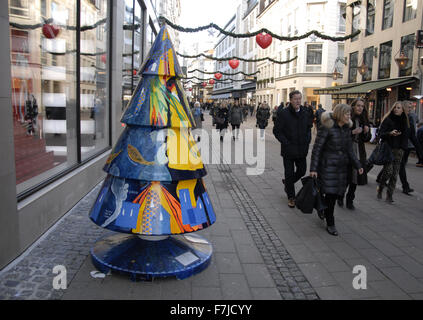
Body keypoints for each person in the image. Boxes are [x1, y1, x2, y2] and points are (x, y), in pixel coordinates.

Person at [310, 104, 363, 236]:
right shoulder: (327, 127)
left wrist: (358, 165)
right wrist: (313, 169)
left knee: (335, 194)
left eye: (349, 114)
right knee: (331, 195)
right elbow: (317, 149)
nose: (349, 116)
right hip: (327, 166)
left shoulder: (346, 129)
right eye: (347, 114)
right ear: (340, 114)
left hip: (341, 167)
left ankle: (322, 208)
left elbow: (350, 150)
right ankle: (331, 223)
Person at [273, 90, 312, 208]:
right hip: (288, 150)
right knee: (289, 174)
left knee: (302, 171)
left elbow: (308, 128)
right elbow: (277, 131)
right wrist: (286, 143)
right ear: (290, 100)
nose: (298, 101)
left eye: (300, 99)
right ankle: (291, 197)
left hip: (301, 149)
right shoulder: (283, 113)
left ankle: (288, 183)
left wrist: (307, 141)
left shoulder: (305, 112)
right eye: (295, 99)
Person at [338, 98, 371, 210]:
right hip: (347, 150)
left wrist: (367, 132)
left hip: (359, 151)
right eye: (358, 105)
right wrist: (352, 132)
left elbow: (367, 139)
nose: (360, 108)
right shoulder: (347, 117)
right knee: (347, 177)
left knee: (356, 177)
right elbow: (340, 134)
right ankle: (340, 196)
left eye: (362, 106)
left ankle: (350, 200)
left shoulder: (364, 119)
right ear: (353, 106)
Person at [376, 101, 409, 203]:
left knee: (395, 174)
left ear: (402, 110)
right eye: (395, 107)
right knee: (388, 172)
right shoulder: (388, 119)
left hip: (399, 150)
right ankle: (381, 187)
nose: (396, 109)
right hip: (389, 149)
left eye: (398, 108)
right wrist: (390, 133)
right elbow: (380, 134)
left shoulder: (405, 121)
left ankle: (389, 195)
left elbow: (409, 136)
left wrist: (404, 148)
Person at [398, 101, 423, 194]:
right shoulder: (397, 117)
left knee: (399, 166)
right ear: (403, 107)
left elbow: (413, 136)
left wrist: (420, 151)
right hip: (394, 147)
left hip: (403, 147)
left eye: (411, 107)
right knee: (396, 166)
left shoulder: (409, 119)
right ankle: (405, 186)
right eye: (408, 107)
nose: (410, 109)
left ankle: (405, 186)